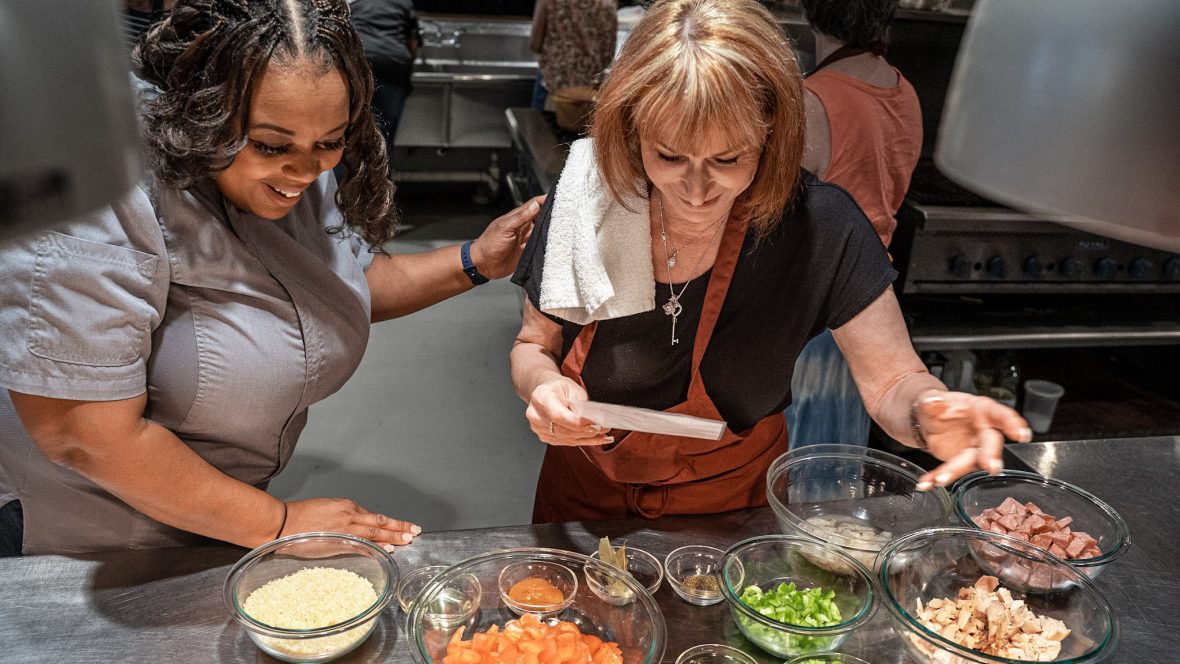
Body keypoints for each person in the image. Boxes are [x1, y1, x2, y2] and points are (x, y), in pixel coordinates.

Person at [0, 0, 540, 556]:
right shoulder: (105, 190)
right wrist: (278, 524)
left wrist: (477, 260)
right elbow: (81, 432)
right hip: (84, 535)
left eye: (330, 142)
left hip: (215, 519)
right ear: (204, 110)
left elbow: (339, 283)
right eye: (271, 145)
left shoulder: (297, 164)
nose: (305, 171)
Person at [509, 0, 1028, 523]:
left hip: (726, 513)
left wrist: (927, 412)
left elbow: (894, 382)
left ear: (771, 135)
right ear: (632, 130)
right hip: (579, 499)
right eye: (668, 156)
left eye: (727, 159)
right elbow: (534, 345)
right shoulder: (589, 197)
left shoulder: (819, 227)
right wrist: (543, 387)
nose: (695, 190)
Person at [786, 0, 924, 448]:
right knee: (839, 448)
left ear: (811, 12)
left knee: (799, 454)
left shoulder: (813, 100)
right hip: (873, 302)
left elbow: (785, 217)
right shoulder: (906, 92)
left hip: (814, 304)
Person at [348, 0, 420, 161]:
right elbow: (413, 43)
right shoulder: (404, 3)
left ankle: (343, 183)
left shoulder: (354, 2)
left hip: (360, 62)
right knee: (384, 133)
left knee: (350, 133)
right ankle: (379, 182)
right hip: (393, 67)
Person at [528, 0, 618, 111]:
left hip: (554, 87)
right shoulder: (608, 3)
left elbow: (535, 44)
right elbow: (609, 54)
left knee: (539, 125)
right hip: (589, 93)